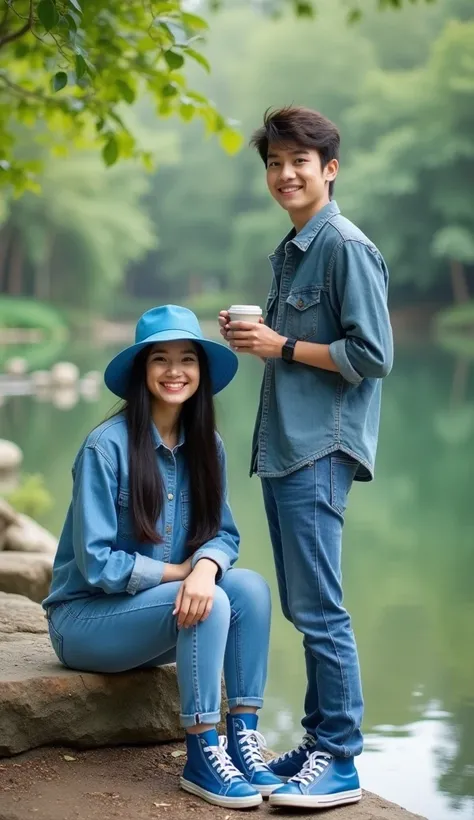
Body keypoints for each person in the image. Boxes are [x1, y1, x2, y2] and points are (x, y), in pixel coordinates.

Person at [219, 107, 393, 810]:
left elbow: (372, 356)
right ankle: (322, 740)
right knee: (303, 605)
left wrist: (280, 347)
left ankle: (342, 760)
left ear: (330, 169)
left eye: (299, 161)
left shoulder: (344, 246)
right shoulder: (295, 248)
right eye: (274, 163)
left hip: (319, 449)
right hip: (289, 446)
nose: (285, 174)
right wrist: (264, 343)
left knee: (321, 611)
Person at [42, 305, 283, 809]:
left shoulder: (206, 445)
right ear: (141, 372)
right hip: (85, 620)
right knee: (213, 600)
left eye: (187, 360)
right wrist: (187, 574)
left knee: (251, 590)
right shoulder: (104, 448)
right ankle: (201, 753)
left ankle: (242, 740)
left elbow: (224, 535)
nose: (175, 371)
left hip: (153, 612)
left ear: (201, 371)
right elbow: (97, 564)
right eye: (161, 360)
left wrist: (207, 566)